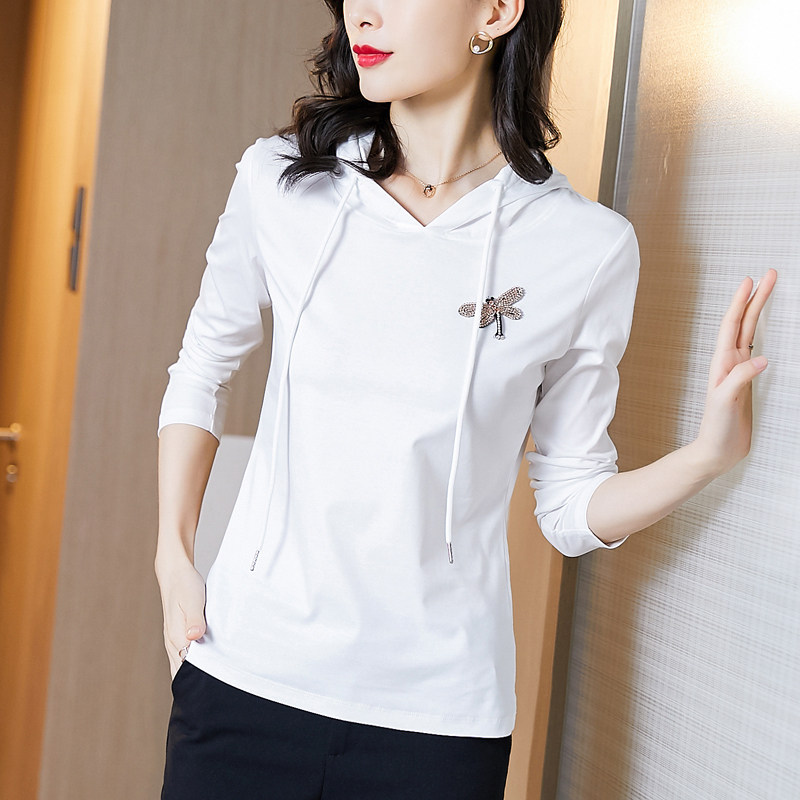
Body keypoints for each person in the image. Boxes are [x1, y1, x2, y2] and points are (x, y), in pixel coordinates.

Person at [155, 1, 777, 798]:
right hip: (245, 681)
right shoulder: (283, 180)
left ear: (497, 10)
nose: (363, 14)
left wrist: (708, 457)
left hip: (438, 727)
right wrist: (174, 561)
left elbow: (569, 503)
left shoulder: (584, 248)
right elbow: (203, 366)